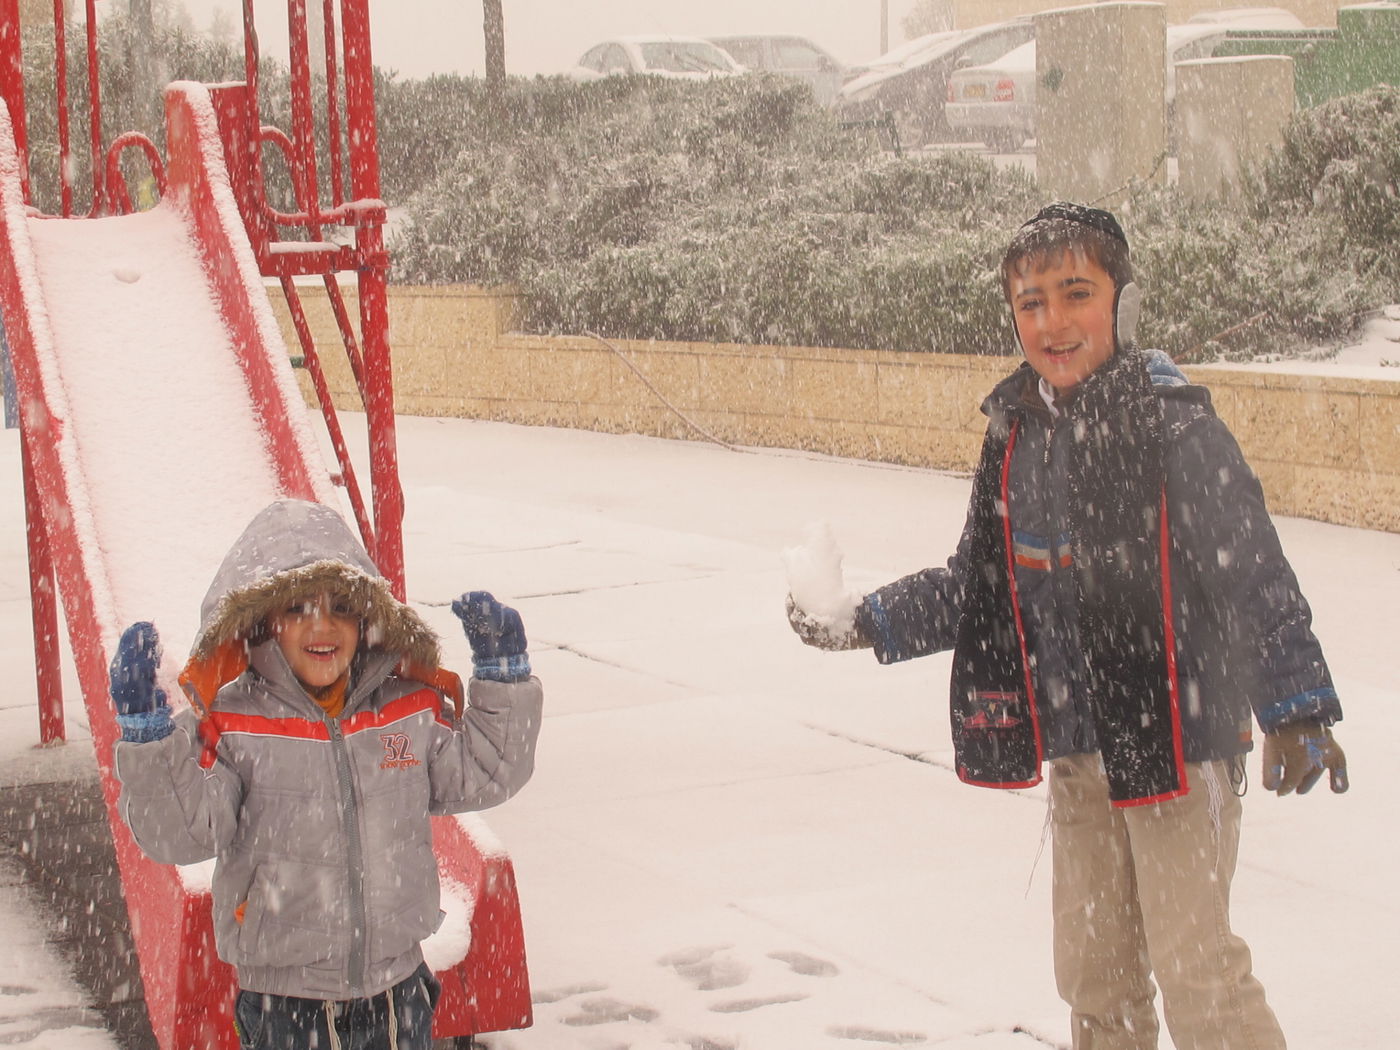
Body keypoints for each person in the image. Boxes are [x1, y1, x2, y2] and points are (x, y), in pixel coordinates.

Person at [787, 202, 1347, 1050]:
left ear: (1122, 302)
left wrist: (1297, 707)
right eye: (1030, 302)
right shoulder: (1015, 434)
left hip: (1180, 749)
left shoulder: (1173, 424)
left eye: (1075, 293)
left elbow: (1252, 572)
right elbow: (981, 584)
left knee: (1200, 974)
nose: (1052, 321)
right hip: (1081, 756)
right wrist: (864, 620)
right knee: (1096, 979)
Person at [109, 498, 543, 1050]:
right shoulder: (237, 722)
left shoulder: (405, 707)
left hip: (397, 989)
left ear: (367, 619)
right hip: (286, 1002)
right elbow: (182, 834)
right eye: (297, 609)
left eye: (341, 606)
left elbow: (487, 773)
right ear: (266, 622)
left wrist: (503, 680)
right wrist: (148, 741)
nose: (322, 625)